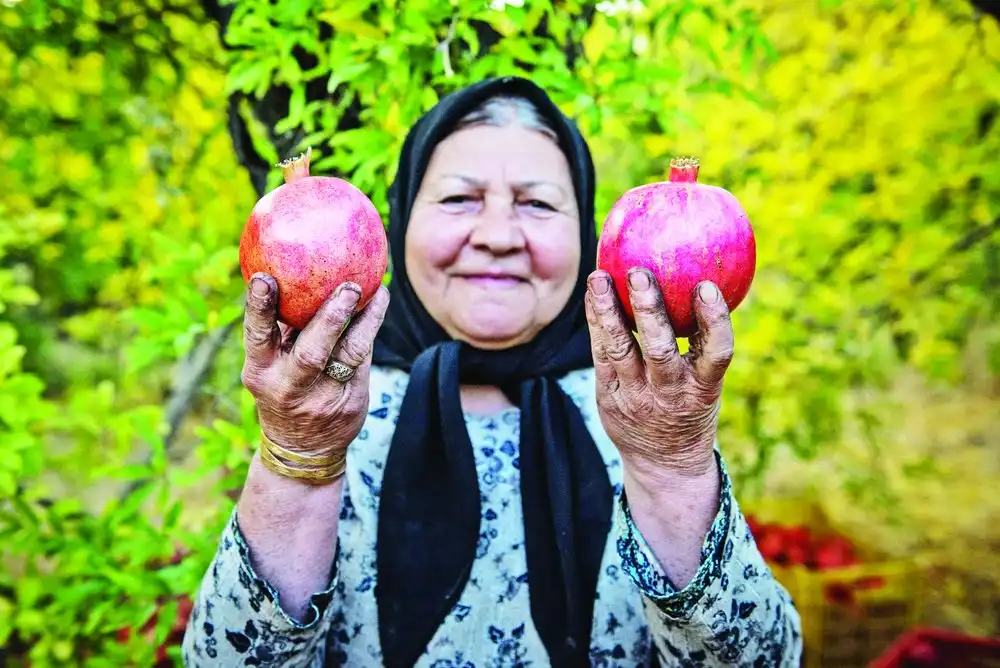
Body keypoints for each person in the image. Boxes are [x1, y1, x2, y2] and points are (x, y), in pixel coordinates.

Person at [181, 76, 802, 667]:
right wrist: (297, 453)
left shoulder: (649, 409)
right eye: (458, 199)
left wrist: (672, 469)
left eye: (537, 203)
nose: (499, 235)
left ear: (587, 232)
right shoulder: (322, 406)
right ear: (401, 221)